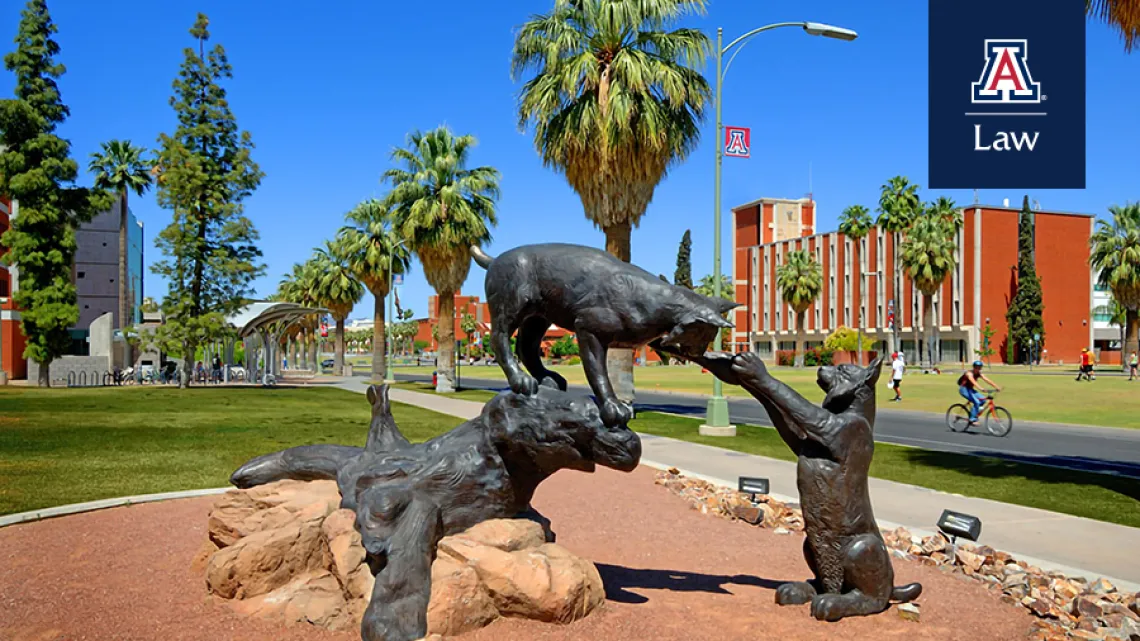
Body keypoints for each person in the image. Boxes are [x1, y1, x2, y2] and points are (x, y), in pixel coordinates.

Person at [959, 360, 1001, 426]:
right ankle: (972, 419)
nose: (978, 369)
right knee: (977, 402)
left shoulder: (979, 373)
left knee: (983, 400)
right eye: (976, 367)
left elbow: (987, 380)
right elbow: (973, 381)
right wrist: (980, 388)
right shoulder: (969, 373)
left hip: (970, 389)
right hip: (964, 389)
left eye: (979, 367)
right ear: (974, 367)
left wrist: (996, 386)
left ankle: (974, 413)